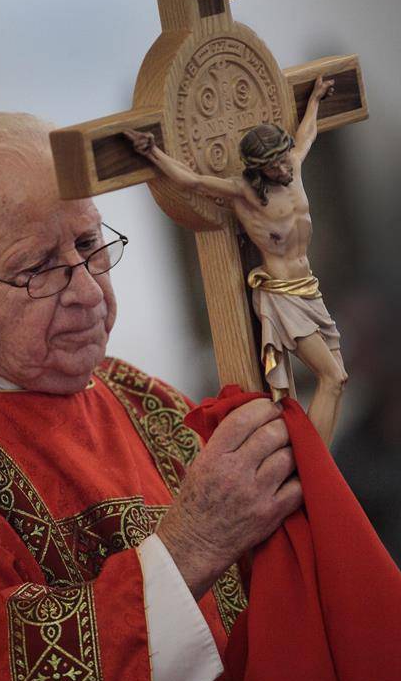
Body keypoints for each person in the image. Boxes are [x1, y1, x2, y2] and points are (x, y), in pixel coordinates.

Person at [0, 112, 302, 681]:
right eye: (36, 269)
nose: (87, 291)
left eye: (89, 245)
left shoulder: (145, 399)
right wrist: (192, 547)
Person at [125, 76, 346, 445]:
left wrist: (316, 100)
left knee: (339, 378)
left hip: (309, 288)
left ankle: (317, 460)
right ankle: (317, 462)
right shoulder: (243, 193)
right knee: (332, 377)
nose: (284, 168)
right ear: (259, 168)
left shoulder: (293, 165)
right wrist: (152, 153)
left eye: (283, 157)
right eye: (274, 165)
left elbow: (307, 134)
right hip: (284, 296)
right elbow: (192, 182)